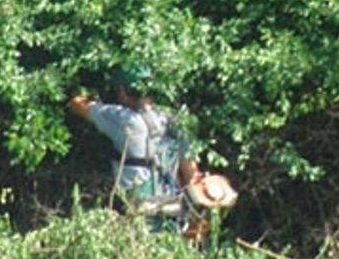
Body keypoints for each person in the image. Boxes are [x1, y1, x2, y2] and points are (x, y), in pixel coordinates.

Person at [69, 65, 237, 238]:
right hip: (173, 213)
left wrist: (72, 90)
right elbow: (192, 174)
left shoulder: (125, 119)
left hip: (139, 216)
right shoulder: (174, 121)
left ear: (122, 92)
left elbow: (78, 105)